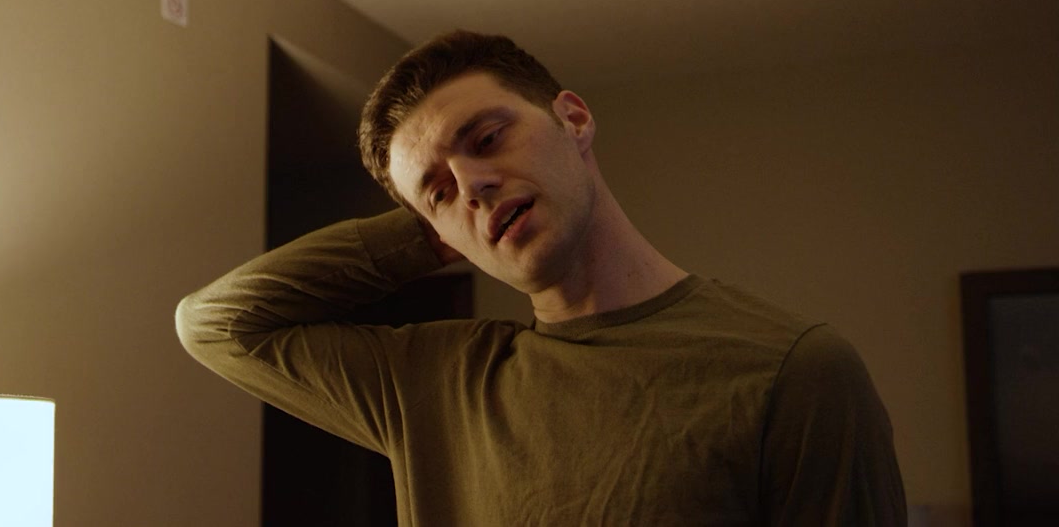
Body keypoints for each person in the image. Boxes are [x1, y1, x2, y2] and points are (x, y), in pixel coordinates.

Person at [177, 30, 906, 525]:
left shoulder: (793, 371)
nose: (472, 184)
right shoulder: (435, 385)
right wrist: (429, 231)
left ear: (573, 119)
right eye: (439, 189)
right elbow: (217, 325)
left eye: (488, 138)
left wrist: (450, 204)